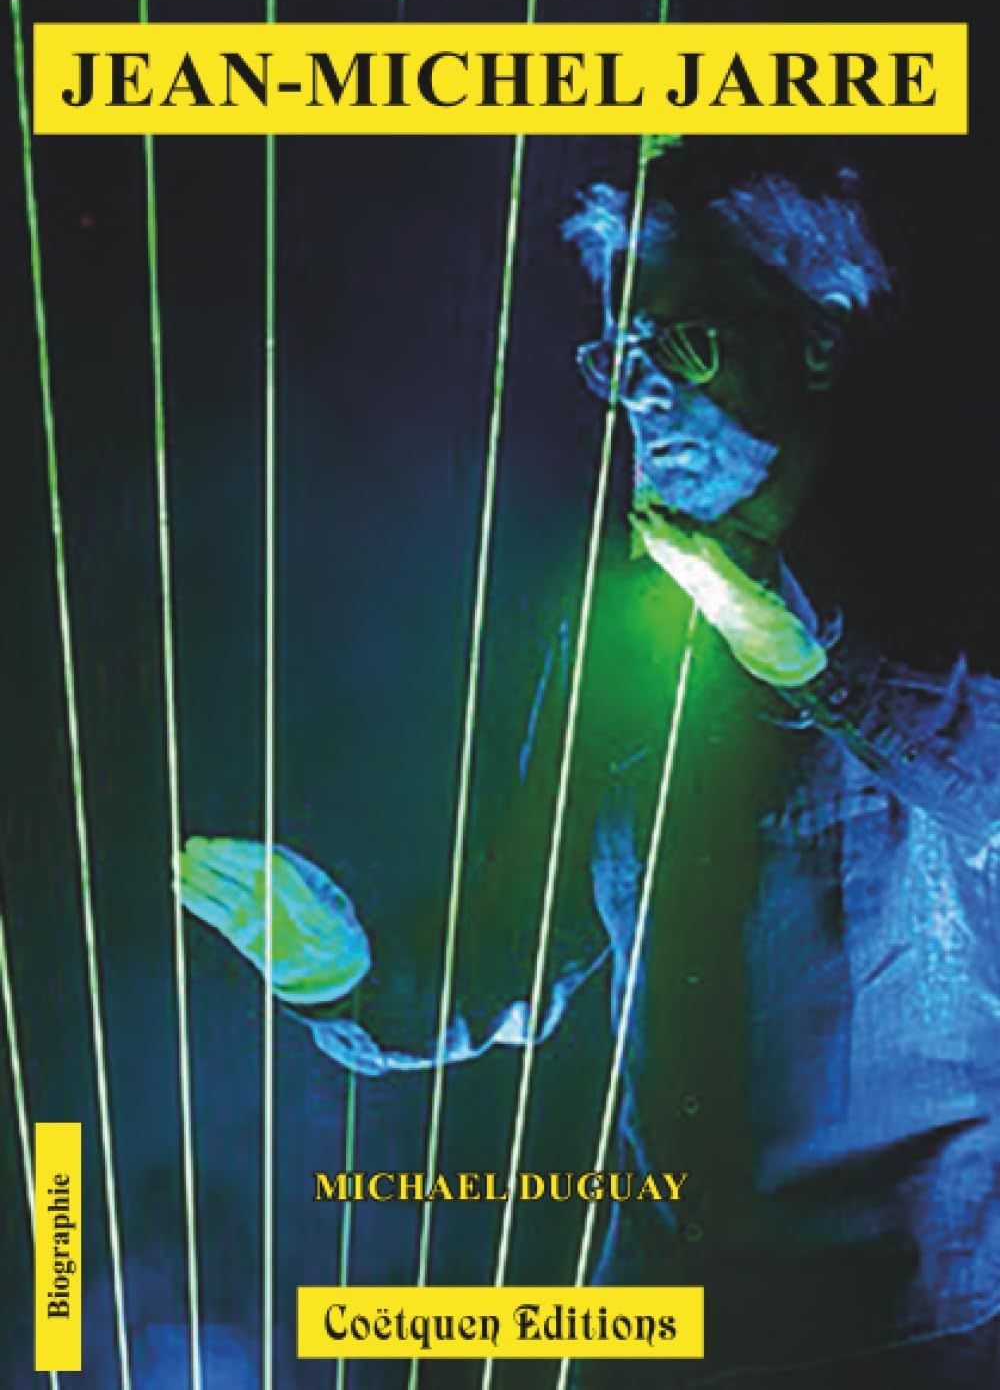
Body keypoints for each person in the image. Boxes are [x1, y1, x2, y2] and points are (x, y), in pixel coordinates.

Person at [179, 155, 1000, 1386]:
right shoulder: (617, 619)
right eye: (619, 356)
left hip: (914, 1319)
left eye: (686, 342)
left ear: (816, 337)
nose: (642, 394)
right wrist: (342, 976)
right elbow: (518, 951)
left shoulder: (950, 569)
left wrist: (815, 665)